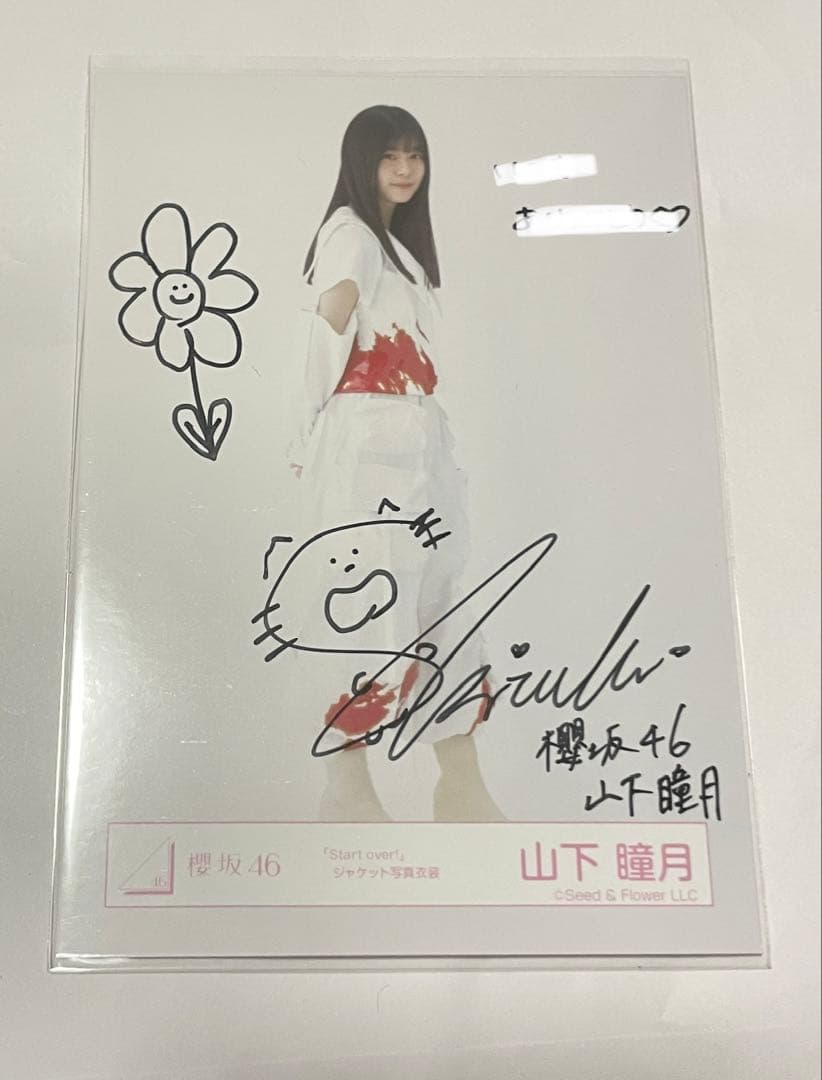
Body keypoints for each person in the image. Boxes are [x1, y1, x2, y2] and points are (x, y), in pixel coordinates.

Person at [286, 104, 504, 824]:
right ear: (362, 162)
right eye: (389, 155)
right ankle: (348, 785)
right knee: (370, 597)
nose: (405, 168)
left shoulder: (397, 247)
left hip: (415, 435)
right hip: (368, 439)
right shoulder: (351, 234)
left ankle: (461, 781)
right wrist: (306, 433)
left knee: (438, 597)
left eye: (414, 154)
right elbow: (328, 328)